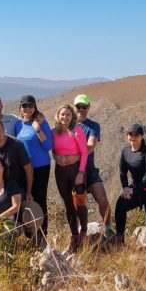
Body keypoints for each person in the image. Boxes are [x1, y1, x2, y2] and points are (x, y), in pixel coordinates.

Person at [14, 95, 54, 242]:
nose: (27, 109)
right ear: (20, 108)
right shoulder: (18, 125)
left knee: (40, 200)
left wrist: (38, 129)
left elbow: (49, 146)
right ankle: (30, 236)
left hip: (41, 167)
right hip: (24, 169)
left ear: (35, 107)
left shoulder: (41, 123)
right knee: (26, 201)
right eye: (24, 106)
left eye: (30, 106)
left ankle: (42, 236)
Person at [51, 104, 89, 252]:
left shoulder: (77, 131)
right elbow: (52, 149)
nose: (65, 117)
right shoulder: (54, 132)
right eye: (62, 114)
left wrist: (80, 172)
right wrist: (58, 158)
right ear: (58, 116)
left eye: (68, 114)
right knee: (68, 203)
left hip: (76, 170)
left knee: (80, 201)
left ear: (72, 117)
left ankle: (84, 231)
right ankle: (74, 236)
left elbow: (84, 153)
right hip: (60, 171)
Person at [74, 94, 112, 231]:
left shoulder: (93, 126)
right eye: (78, 106)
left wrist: (72, 155)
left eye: (84, 106)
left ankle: (108, 228)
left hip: (88, 169)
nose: (81, 109)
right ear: (74, 107)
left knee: (102, 200)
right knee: (76, 206)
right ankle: (77, 235)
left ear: (89, 107)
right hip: (71, 170)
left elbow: (90, 147)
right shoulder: (68, 125)